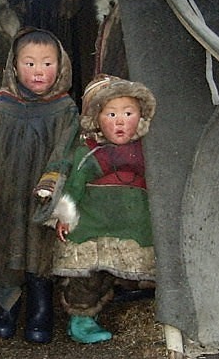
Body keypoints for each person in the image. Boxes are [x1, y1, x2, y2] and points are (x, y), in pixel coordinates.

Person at [0, 28, 78, 343]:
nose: (39, 71)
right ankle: (4, 312)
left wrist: (51, 181)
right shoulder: (2, 107)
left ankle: (40, 315)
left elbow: (66, 149)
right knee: (5, 247)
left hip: (41, 194)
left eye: (48, 64)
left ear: (61, 67)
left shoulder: (65, 109)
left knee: (39, 250)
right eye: (30, 63)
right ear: (14, 66)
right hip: (5, 192)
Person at [46, 75, 156, 344]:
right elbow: (73, 186)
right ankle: (81, 318)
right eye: (111, 114)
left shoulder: (149, 151)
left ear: (140, 117)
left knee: (117, 270)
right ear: (97, 119)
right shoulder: (89, 153)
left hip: (130, 225)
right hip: (92, 228)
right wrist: (65, 217)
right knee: (89, 276)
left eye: (128, 113)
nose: (120, 121)